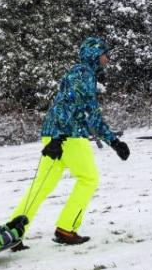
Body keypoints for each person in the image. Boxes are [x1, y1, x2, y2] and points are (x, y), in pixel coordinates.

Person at [9, 37, 129, 246]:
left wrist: (114, 142)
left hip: (56, 134)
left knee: (42, 185)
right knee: (89, 179)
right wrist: (59, 136)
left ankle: (13, 232)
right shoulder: (84, 73)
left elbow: (87, 112)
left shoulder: (79, 72)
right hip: (69, 135)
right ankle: (66, 229)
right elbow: (68, 105)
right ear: (94, 55)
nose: (107, 59)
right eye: (104, 54)